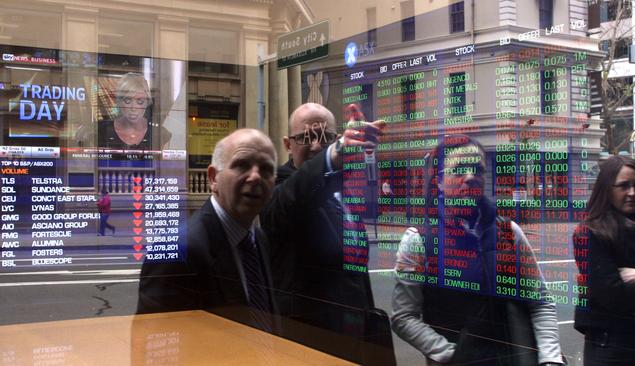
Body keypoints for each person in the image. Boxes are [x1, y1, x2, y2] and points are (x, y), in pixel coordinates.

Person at [391, 134, 564, 366]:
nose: (471, 177)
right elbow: (404, 317)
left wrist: (550, 360)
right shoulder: (418, 240)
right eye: (459, 170)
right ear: (439, 182)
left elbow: (540, 301)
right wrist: (452, 354)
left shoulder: (509, 232)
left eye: (478, 170)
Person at [260, 103, 394, 364]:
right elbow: (289, 202)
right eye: (305, 137)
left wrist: (364, 152)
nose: (316, 146)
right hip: (308, 342)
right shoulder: (277, 184)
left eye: (326, 138)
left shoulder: (341, 185)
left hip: (354, 334)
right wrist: (335, 152)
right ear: (288, 144)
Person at [137, 128, 278, 333]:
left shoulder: (261, 241)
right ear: (213, 178)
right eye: (241, 165)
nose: (255, 177)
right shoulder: (175, 252)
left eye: (266, 169)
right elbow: (155, 350)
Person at [573, 155, 635, 365]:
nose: (632, 193)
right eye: (624, 186)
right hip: (611, 347)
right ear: (607, 189)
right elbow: (610, 294)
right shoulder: (589, 233)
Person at [98, 72, 170, 150]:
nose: (133, 107)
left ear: (147, 102)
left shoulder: (161, 134)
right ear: (119, 101)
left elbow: (163, 162)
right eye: (127, 100)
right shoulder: (100, 131)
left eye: (140, 101)